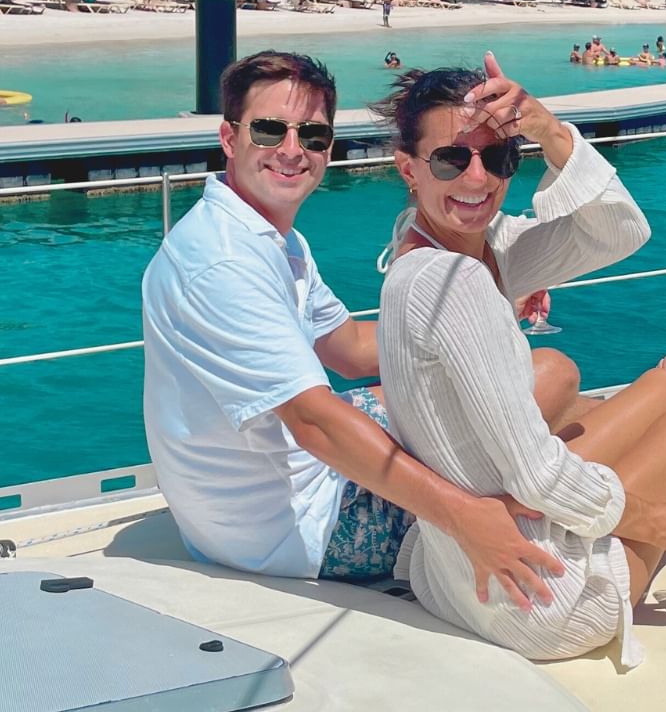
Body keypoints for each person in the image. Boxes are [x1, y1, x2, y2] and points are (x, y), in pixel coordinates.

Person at [373, 57, 666, 666]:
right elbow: (537, 479)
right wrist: (658, 524)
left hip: (454, 580)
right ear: (408, 169)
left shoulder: (453, 247)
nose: (478, 178)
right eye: (451, 160)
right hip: (542, 600)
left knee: (652, 409)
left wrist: (548, 131)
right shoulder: (454, 281)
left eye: (501, 158)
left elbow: (618, 232)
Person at [141, 50, 584, 600]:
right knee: (549, 379)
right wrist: (465, 516)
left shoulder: (268, 238)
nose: (291, 150)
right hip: (297, 529)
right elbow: (315, 424)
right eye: (270, 129)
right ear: (230, 138)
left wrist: (490, 308)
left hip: (262, 492)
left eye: (313, 136)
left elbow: (350, 349)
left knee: (520, 399)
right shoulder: (225, 263)